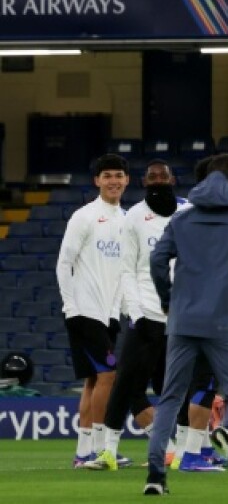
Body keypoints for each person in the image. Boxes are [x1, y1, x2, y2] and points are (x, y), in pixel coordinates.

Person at [144, 153, 228, 495]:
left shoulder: (181, 221)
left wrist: (169, 299)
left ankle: (156, 476)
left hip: (183, 319)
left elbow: (157, 260)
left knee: (170, 398)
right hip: (226, 320)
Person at [84, 161, 193, 472]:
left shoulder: (189, 213)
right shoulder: (133, 217)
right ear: (144, 181)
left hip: (182, 317)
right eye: (153, 176)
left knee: (176, 385)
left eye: (163, 175)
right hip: (145, 314)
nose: (159, 180)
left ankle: (182, 452)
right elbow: (127, 270)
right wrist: (135, 311)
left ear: (173, 178)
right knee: (126, 384)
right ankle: (107, 452)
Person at [57, 153, 129, 468]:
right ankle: (102, 448)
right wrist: (71, 306)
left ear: (127, 180)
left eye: (119, 175)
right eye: (107, 175)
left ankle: (83, 451)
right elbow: (64, 263)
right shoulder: (84, 216)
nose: (113, 180)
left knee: (92, 381)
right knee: (108, 375)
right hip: (84, 311)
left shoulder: (127, 220)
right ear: (97, 181)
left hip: (109, 314)